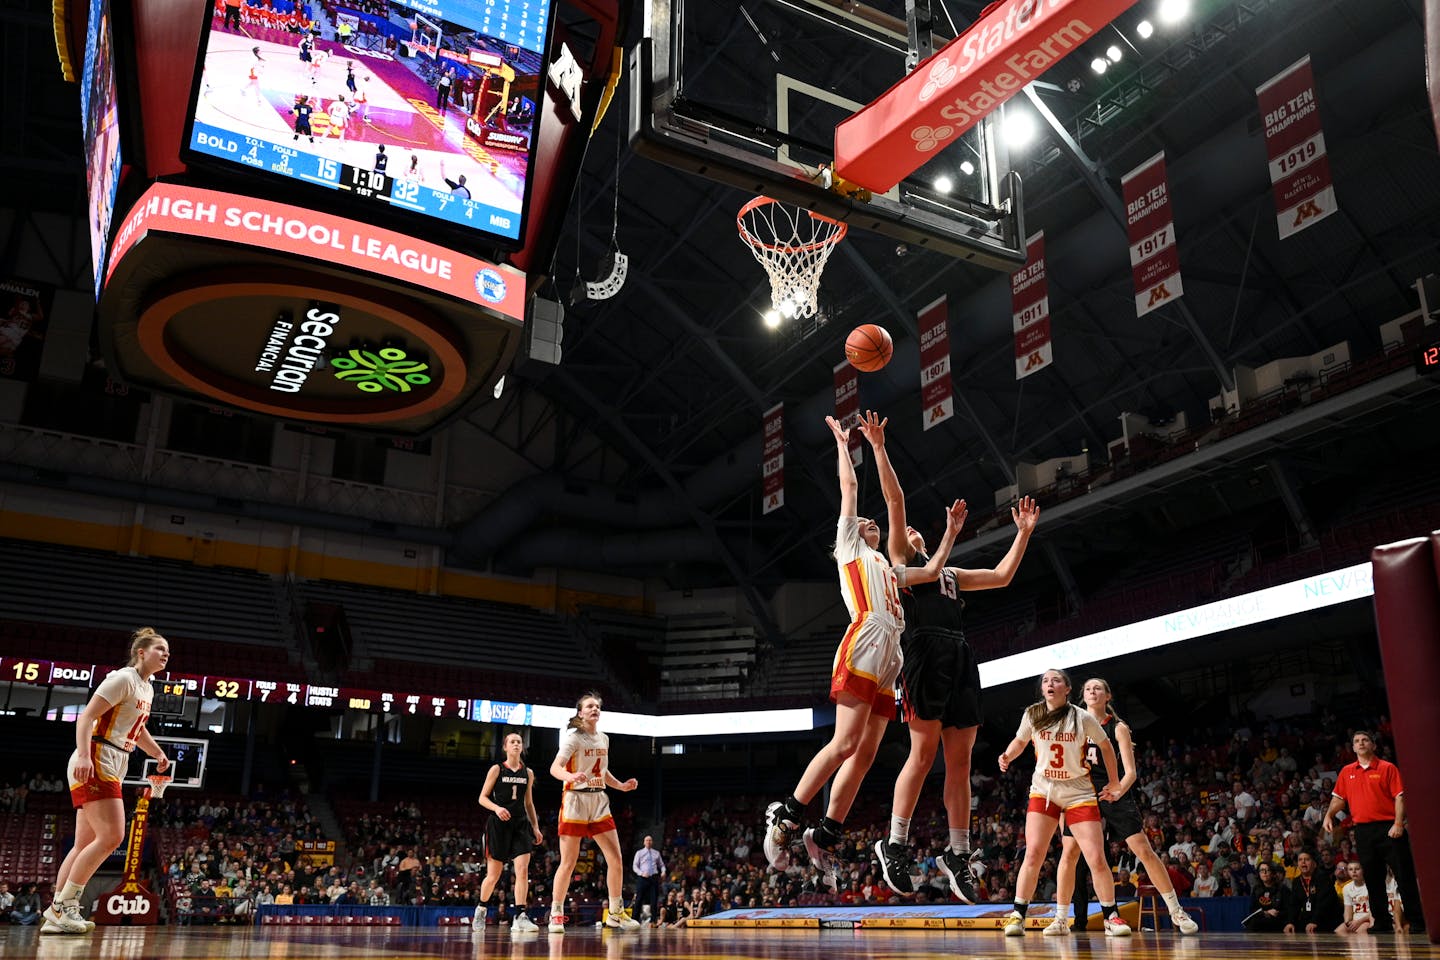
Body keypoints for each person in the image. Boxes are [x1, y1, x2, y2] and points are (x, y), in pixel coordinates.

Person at [763, 413, 964, 891]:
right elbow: (849, 489)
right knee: (846, 743)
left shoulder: (892, 569)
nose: (873, 522)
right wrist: (842, 444)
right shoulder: (852, 547)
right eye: (869, 522)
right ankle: (786, 816)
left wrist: (951, 532)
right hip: (866, 639)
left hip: (892, 652)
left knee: (868, 752)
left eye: (877, 523)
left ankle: (826, 833)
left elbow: (933, 569)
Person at [866, 403, 1038, 902]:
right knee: (922, 756)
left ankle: (957, 852)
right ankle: (894, 843)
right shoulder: (899, 563)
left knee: (960, 763)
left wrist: (1023, 534)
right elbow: (896, 502)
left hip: (960, 655)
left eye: (921, 532)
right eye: (912, 531)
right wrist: (879, 449)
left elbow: (1002, 576)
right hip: (922, 655)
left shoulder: (948, 575)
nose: (911, 531)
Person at [42, 628, 171, 935]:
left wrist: (158, 753)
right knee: (113, 836)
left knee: (84, 843)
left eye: (168, 651)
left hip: (115, 758)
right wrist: (85, 755)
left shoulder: (147, 687)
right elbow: (86, 717)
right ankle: (64, 906)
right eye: (160, 649)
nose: (166, 654)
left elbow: (136, 730)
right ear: (141, 652)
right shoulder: (122, 679)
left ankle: (56, 912)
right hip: (98, 755)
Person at [1051, 678, 1198, 934]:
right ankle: (1061, 918)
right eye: (1088, 688)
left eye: (1098, 688)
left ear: (1108, 696)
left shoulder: (1117, 727)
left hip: (1114, 791)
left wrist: (1118, 789)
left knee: (1143, 849)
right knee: (1070, 853)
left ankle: (1177, 911)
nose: (1092, 691)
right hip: (1082, 794)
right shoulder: (1072, 727)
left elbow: (1131, 772)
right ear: (1083, 697)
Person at [996, 668, 1130, 937]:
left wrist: (1115, 782)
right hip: (1044, 791)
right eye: (1045, 680)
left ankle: (1111, 916)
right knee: (1033, 853)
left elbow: (1106, 747)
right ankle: (1017, 916)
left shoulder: (1081, 717)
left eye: (1056, 680)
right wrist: (1007, 755)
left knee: (1096, 857)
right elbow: (1020, 741)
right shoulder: (1033, 713)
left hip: (1078, 792)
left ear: (1067, 689)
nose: (1049, 684)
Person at [546, 692, 641, 933]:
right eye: (590, 706)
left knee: (616, 859)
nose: (595, 709)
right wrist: (570, 776)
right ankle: (556, 914)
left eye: (597, 706)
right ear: (580, 713)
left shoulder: (604, 739)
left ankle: (616, 914)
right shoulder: (573, 739)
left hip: (598, 799)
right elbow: (554, 768)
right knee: (568, 862)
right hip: (575, 800)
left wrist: (620, 785)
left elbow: (602, 772)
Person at [1324, 730, 1426, 934]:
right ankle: (1381, 922)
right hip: (1363, 830)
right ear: (1352, 748)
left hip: (1390, 828)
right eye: (1356, 741)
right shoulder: (1346, 771)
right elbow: (1339, 798)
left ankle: (1417, 921)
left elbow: (1400, 796)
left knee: (1404, 876)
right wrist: (1329, 815)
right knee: (1372, 877)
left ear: (1373, 745)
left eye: (1365, 740)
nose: (1360, 743)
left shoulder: (1387, 767)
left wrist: (1398, 823)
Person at [474, 731, 542, 934]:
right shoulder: (497, 769)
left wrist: (535, 827)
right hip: (498, 825)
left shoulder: (527, 773)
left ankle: (520, 916)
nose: (516, 744)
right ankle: (481, 909)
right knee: (493, 875)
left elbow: (528, 803)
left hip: (520, 825)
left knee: (522, 871)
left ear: (522, 747)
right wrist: (496, 808)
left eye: (519, 742)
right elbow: (482, 798)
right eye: (512, 741)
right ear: (505, 747)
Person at [1283, 849, 1340, 933]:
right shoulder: (1297, 881)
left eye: (1307, 859)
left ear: (1314, 863)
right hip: (1308, 920)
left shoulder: (1323, 879)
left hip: (1325, 919)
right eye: (1300, 860)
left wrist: (1314, 921)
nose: (1303, 862)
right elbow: (1293, 904)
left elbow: (1324, 905)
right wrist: (1290, 922)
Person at [1243, 861, 1289, 931]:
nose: (1264, 873)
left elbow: (1288, 910)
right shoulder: (1256, 889)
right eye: (1261, 870)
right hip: (1261, 921)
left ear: (1273, 873)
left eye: (1267, 870)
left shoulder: (1283, 889)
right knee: (1252, 923)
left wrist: (1278, 913)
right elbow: (1252, 910)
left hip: (1277, 921)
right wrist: (1265, 913)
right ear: (1258, 874)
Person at [632, 835, 665, 925]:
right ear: (644, 842)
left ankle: (653, 920)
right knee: (639, 899)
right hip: (643, 878)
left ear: (652, 842)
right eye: (647, 840)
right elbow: (635, 866)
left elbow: (661, 865)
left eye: (650, 840)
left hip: (653, 877)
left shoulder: (656, 853)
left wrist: (663, 871)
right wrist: (641, 873)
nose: (648, 842)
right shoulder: (639, 853)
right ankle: (634, 920)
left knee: (654, 899)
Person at [1337, 860, 1375, 935]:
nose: (1354, 871)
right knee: (1339, 931)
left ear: (1363, 870)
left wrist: (1359, 922)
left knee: (1360, 931)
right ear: (1348, 872)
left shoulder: (1370, 885)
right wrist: (1348, 922)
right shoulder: (1347, 888)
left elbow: (1373, 911)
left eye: (1357, 869)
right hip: (1355, 919)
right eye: (1350, 869)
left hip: (1367, 919)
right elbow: (1348, 909)